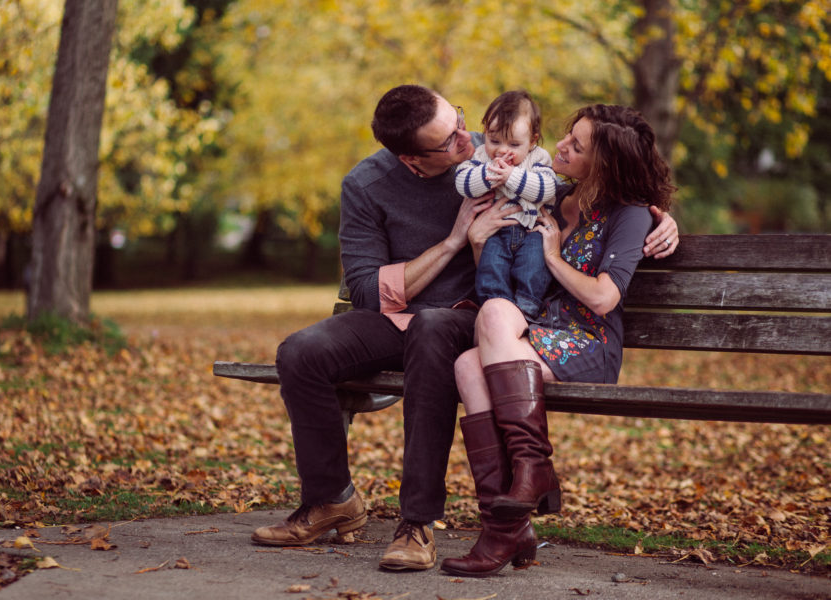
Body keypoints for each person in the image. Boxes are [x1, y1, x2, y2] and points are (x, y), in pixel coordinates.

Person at [250, 85, 679, 572]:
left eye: (458, 120)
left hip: (469, 315)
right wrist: (456, 240)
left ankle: (416, 522)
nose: (468, 139)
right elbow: (370, 293)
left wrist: (663, 220)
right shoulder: (367, 185)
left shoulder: (499, 148)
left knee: (433, 332)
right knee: (301, 352)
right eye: (450, 138)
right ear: (413, 159)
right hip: (398, 315)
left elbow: (594, 186)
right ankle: (331, 500)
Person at [440, 104, 676, 577]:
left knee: (487, 331)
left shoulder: (628, 215)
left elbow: (605, 298)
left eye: (577, 144)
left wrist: (552, 255)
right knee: (469, 361)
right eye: (568, 135)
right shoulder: (553, 194)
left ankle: (525, 487)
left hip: (589, 341)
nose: (562, 145)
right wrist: (479, 240)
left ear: (603, 164)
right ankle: (508, 522)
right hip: (543, 331)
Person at [455, 90, 558, 321]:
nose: (502, 150)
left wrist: (511, 176)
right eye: (495, 141)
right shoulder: (481, 157)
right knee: (491, 268)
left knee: (533, 267)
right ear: (485, 135)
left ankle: (526, 308)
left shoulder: (538, 158)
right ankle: (496, 308)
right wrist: (489, 174)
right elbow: (463, 183)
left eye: (513, 143)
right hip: (495, 233)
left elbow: (546, 188)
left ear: (532, 141)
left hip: (531, 230)